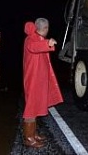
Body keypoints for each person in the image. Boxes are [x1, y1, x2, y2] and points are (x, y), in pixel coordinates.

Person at [22, 18, 64, 148]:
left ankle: (33, 134)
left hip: (37, 79)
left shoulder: (36, 37)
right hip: (33, 79)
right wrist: (48, 43)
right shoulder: (31, 39)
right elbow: (34, 47)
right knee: (30, 108)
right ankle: (28, 138)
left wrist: (46, 43)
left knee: (35, 106)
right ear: (45, 28)